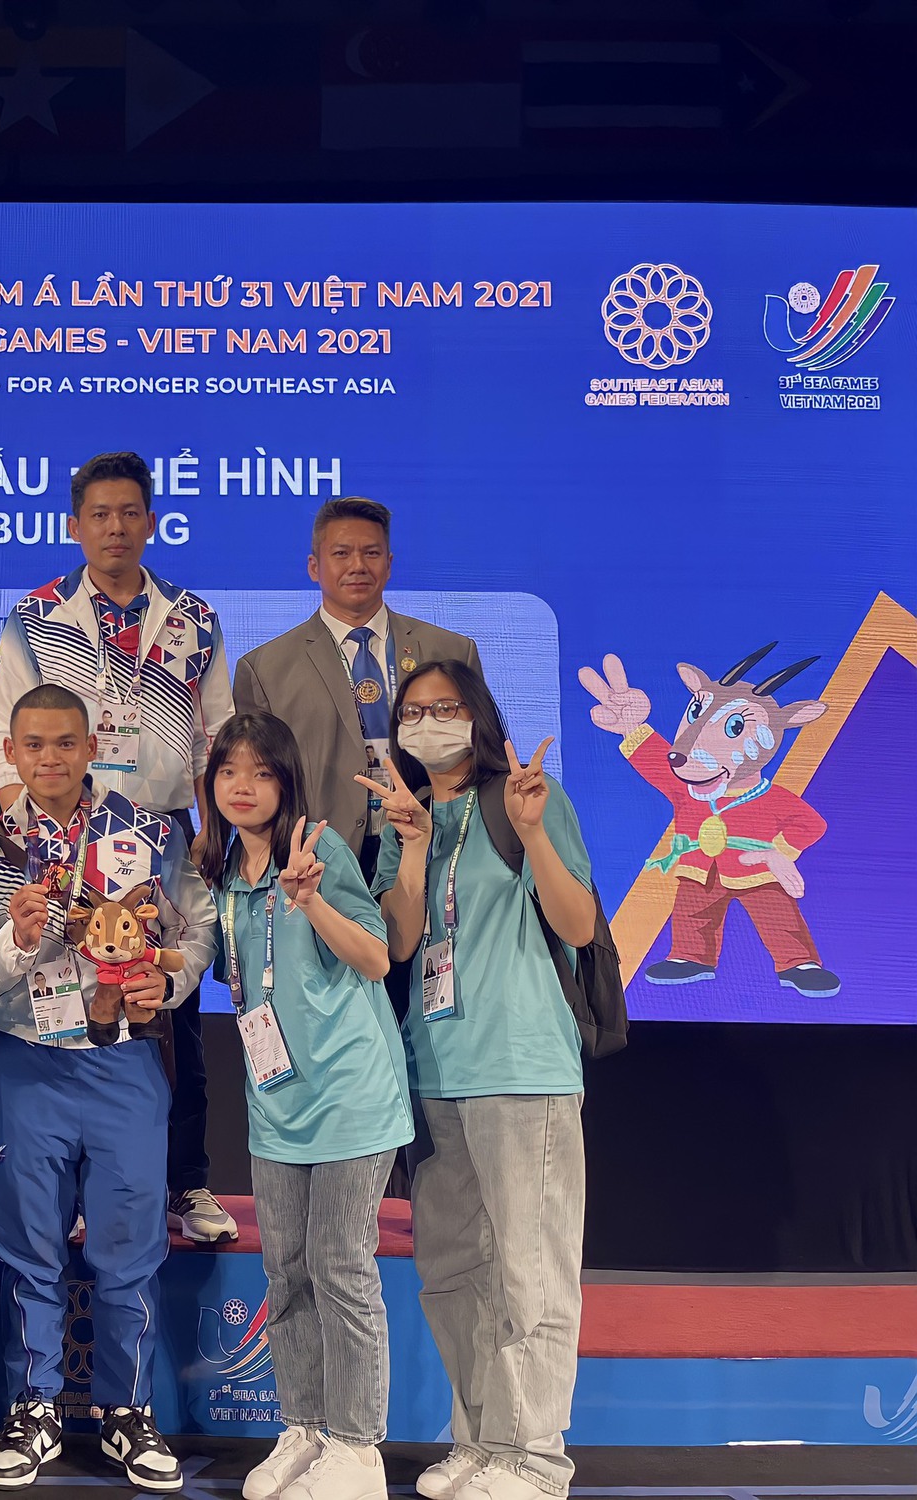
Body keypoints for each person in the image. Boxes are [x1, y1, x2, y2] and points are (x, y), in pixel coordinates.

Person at [0, 684, 217, 1493]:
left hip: (124, 1064)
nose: (50, 759)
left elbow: (197, 932)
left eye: (65, 743)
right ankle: (33, 1407)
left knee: (127, 1250)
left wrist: (167, 986)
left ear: (91, 743)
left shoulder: (147, 832)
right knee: (29, 1248)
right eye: (33, 744)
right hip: (29, 1060)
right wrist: (17, 938)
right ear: (11, 751)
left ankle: (126, 1412)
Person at [0, 451, 238, 1246]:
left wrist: (209, 842)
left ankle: (186, 1183)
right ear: (75, 525)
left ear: (150, 521)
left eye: (130, 513)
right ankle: (82, 1193)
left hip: (158, 843)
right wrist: (36, 840)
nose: (115, 527)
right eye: (99, 514)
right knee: (74, 1012)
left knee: (172, 1019)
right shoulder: (36, 616)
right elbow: (2, 739)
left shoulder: (193, 618)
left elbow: (216, 740)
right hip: (67, 839)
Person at [367, 663, 597, 1500]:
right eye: (414, 712)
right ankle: (480, 1441)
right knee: (456, 1267)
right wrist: (413, 847)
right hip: (435, 1066)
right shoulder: (409, 815)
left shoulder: (528, 798)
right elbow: (400, 945)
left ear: (481, 717)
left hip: (522, 1063)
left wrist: (535, 834)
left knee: (529, 1268)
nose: (430, 723)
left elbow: (578, 924)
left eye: (447, 708)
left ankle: (534, 1456)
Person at [192, 713, 412, 1500]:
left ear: (285, 782)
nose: (242, 786)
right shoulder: (220, 877)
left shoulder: (315, 848)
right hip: (276, 1103)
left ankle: (358, 1448)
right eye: (227, 773)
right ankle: (306, 1428)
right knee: (284, 1272)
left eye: (260, 771)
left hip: (351, 1095)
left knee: (339, 1265)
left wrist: (312, 901)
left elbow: (376, 955)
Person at [231, 497, 482, 883]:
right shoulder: (265, 669)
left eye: (371, 553)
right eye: (342, 553)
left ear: (390, 564)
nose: (358, 566)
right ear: (314, 566)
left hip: (439, 844)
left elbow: (481, 752)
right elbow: (260, 784)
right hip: (321, 859)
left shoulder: (450, 650)